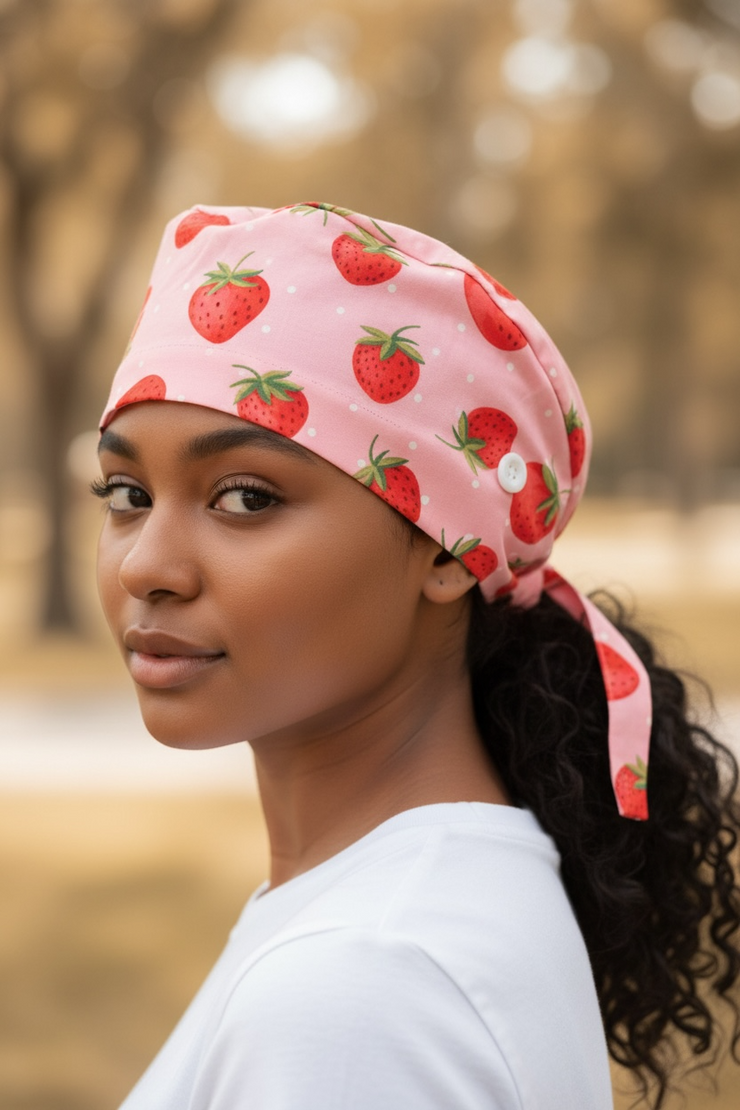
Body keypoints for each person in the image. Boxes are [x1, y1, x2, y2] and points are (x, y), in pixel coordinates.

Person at [94, 201, 740, 1110]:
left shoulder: (362, 987)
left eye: (244, 498)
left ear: (444, 547)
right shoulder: (401, 916)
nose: (146, 565)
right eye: (125, 492)